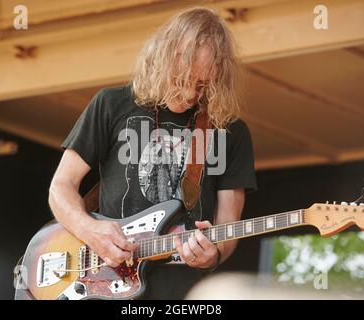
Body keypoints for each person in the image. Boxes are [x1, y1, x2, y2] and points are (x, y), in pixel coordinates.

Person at [48, 7, 257, 299]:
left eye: (201, 85)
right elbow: (61, 186)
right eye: (182, 79)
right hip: (103, 282)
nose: (189, 95)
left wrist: (214, 254)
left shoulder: (230, 131)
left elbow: (228, 225)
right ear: (163, 57)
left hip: (180, 293)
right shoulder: (112, 104)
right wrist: (90, 230)